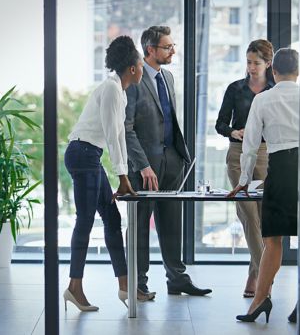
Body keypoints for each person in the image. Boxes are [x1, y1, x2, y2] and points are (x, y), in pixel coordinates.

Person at [229, 48, 300, 323]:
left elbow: (250, 145)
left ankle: (259, 302)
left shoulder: (263, 98)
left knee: (272, 239)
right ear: (298, 72)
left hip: (280, 165)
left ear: (273, 71)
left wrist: (245, 180)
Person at [125, 25, 212, 298]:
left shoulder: (169, 78)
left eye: (172, 46)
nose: (173, 50)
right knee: (140, 225)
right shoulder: (134, 81)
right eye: (167, 47)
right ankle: (138, 283)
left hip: (172, 161)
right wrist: (142, 165)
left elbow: (168, 119)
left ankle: (177, 278)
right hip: (145, 167)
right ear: (150, 50)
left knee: (173, 223)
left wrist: (179, 158)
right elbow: (125, 128)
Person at [63, 36, 146, 312]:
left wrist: (123, 175)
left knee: (111, 217)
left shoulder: (119, 91)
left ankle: (125, 285)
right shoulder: (111, 89)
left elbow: (119, 135)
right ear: (132, 68)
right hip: (83, 153)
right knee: (85, 221)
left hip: (90, 155)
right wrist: (122, 178)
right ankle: (74, 287)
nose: (143, 66)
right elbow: (112, 136)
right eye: (140, 61)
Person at [215, 39, 275, 298]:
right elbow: (220, 124)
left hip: (266, 154)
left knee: (262, 218)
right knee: (248, 216)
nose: (251, 67)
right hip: (238, 155)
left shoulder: (274, 90)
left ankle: (254, 274)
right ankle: (265, 276)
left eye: (256, 63)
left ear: (268, 63)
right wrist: (233, 131)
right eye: (248, 62)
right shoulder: (234, 89)